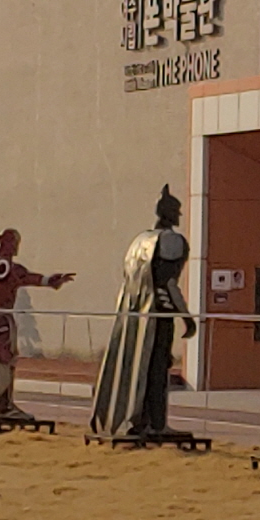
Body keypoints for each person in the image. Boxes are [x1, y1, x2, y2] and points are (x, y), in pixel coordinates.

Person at [89, 188, 193, 443]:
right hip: (158, 313)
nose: (178, 216)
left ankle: (136, 418)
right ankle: (156, 422)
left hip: (133, 312)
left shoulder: (139, 241)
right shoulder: (171, 241)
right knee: (157, 367)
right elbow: (168, 284)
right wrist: (186, 317)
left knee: (134, 364)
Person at [0, 228, 72, 421]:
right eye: (14, 242)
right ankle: (4, 404)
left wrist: (47, 280)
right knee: (6, 359)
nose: (16, 247)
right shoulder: (4, 266)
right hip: (1, 316)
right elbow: (22, 277)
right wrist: (48, 281)